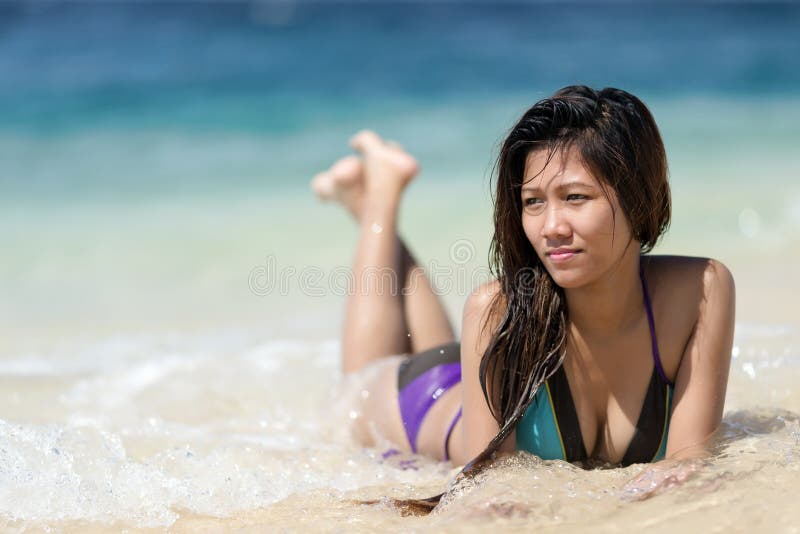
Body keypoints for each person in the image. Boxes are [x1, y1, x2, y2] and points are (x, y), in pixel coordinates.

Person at [311, 86, 735, 497]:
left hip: (483, 371)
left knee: (436, 343)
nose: (552, 227)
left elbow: (688, 463)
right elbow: (486, 491)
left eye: (574, 197)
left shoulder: (700, 291)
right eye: (533, 202)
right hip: (423, 399)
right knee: (353, 385)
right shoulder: (494, 310)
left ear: (636, 198)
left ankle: (369, 194)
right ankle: (379, 199)